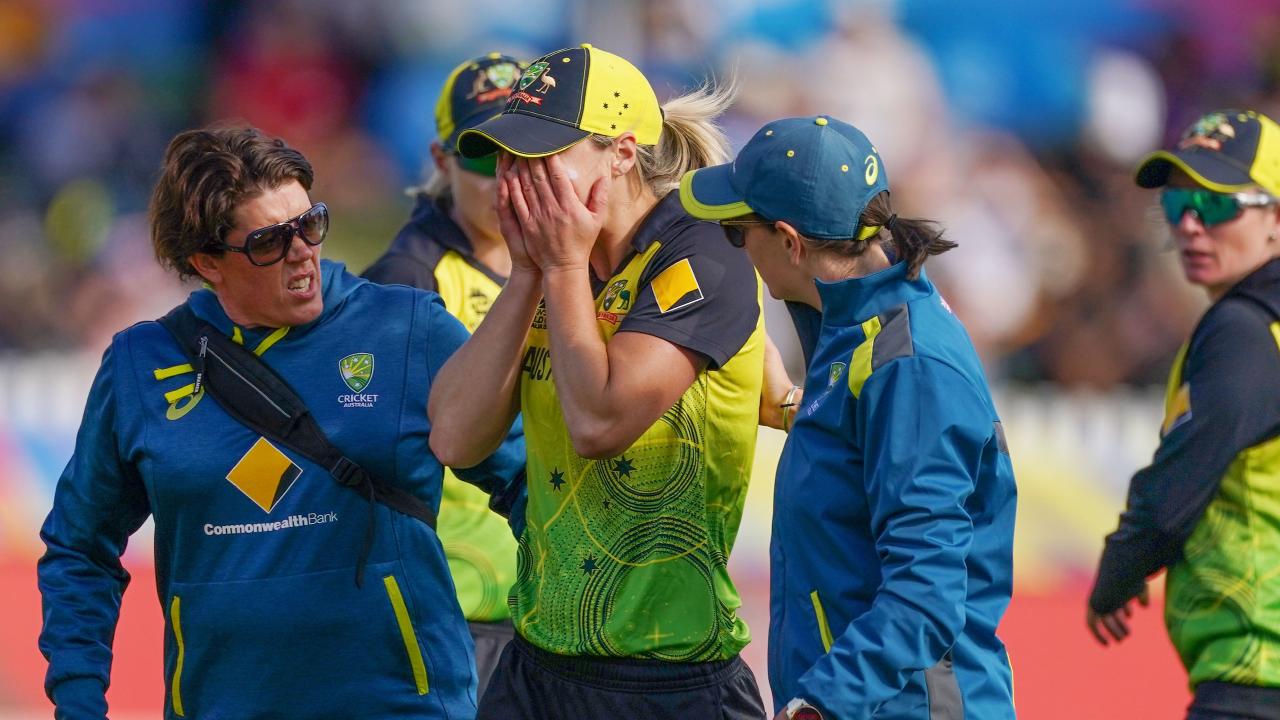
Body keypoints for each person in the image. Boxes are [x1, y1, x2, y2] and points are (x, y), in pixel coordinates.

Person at [37, 125, 525, 719]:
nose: (302, 251)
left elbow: (527, 483)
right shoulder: (142, 363)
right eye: (271, 241)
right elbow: (80, 546)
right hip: (221, 707)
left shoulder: (409, 329)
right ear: (206, 262)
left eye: (310, 224)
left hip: (403, 704)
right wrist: (79, 698)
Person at [428, 43, 768, 719]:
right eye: (504, 155)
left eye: (540, 153)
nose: (513, 177)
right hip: (534, 664)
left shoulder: (702, 253)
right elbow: (455, 438)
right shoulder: (556, 261)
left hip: (668, 679)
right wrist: (528, 275)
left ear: (620, 152)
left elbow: (599, 424)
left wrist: (556, 269)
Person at [680, 115, 1018, 719]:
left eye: (737, 232)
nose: (736, 248)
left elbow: (927, 593)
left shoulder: (906, 366)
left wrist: (819, 706)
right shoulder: (862, 324)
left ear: (789, 242)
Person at [1088, 109, 1280, 720]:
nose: (1192, 226)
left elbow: (1179, 482)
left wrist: (1120, 568)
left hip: (1256, 671)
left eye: (1219, 206)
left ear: (1276, 215)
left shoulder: (1243, 331)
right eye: (1178, 206)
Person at [363, 51, 525, 700]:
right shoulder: (408, 282)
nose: (508, 178)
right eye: (485, 156)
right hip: (458, 616)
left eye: (527, 153)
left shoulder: (573, 263)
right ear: (440, 161)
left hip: (556, 606)